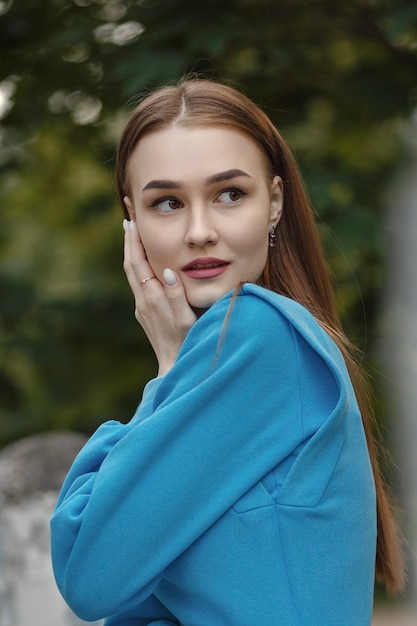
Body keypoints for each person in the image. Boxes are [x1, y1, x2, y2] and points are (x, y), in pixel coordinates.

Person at [50, 78, 406, 625]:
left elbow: (87, 573)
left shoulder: (260, 337)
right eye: (167, 202)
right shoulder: (280, 345)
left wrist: (168, 373)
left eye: (229, 194)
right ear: (133, 222)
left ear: (275, 202)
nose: (199, 231)